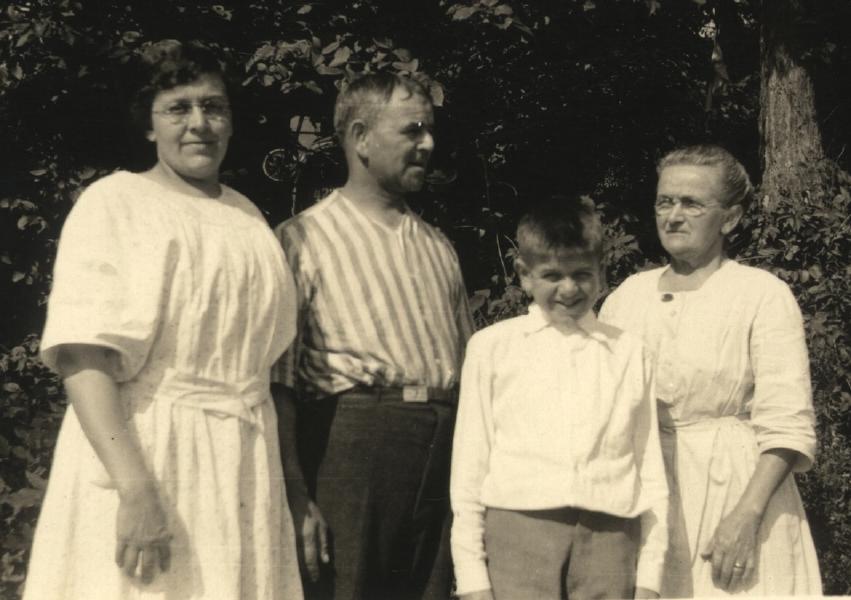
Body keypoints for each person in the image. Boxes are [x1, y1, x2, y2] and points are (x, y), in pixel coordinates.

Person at [23, 40, 303, 599]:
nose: (199, 124)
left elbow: (263, 367)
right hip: (147, 452)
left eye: (214, 107)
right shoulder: (114, 203)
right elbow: (83, 356)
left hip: (241, 460)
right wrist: (135, 490)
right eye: (178, 108)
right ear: (148, 125)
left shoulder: (247, 217)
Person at [272, 72, 474, 600]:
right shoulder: (302, 239)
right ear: (361, 138)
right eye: (412, 131)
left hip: (440, 446)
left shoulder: (438, 246)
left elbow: (471, 368)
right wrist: (296, 498)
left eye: (429, 130)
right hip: (353, 448)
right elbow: (279, 385)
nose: (428, 144)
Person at [600, 145, 822, 596]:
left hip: (738, 494)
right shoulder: (626, 297)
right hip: (647, 498)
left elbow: (787, 423)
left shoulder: (762, 294)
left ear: (731, 219)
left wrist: (746, 516)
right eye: (666, 201)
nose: (674, 216)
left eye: (692, 203)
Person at [450, 197, 669, 600]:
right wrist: (472, 577)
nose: (568, 289)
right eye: (552, 274)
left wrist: (650, 577)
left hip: (609, 538)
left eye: (582, 274)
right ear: (524, 274)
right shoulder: (493, 347)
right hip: (518, 534)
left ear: (602, 273)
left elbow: (649, 465)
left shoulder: (629, 351)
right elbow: (469, 466)